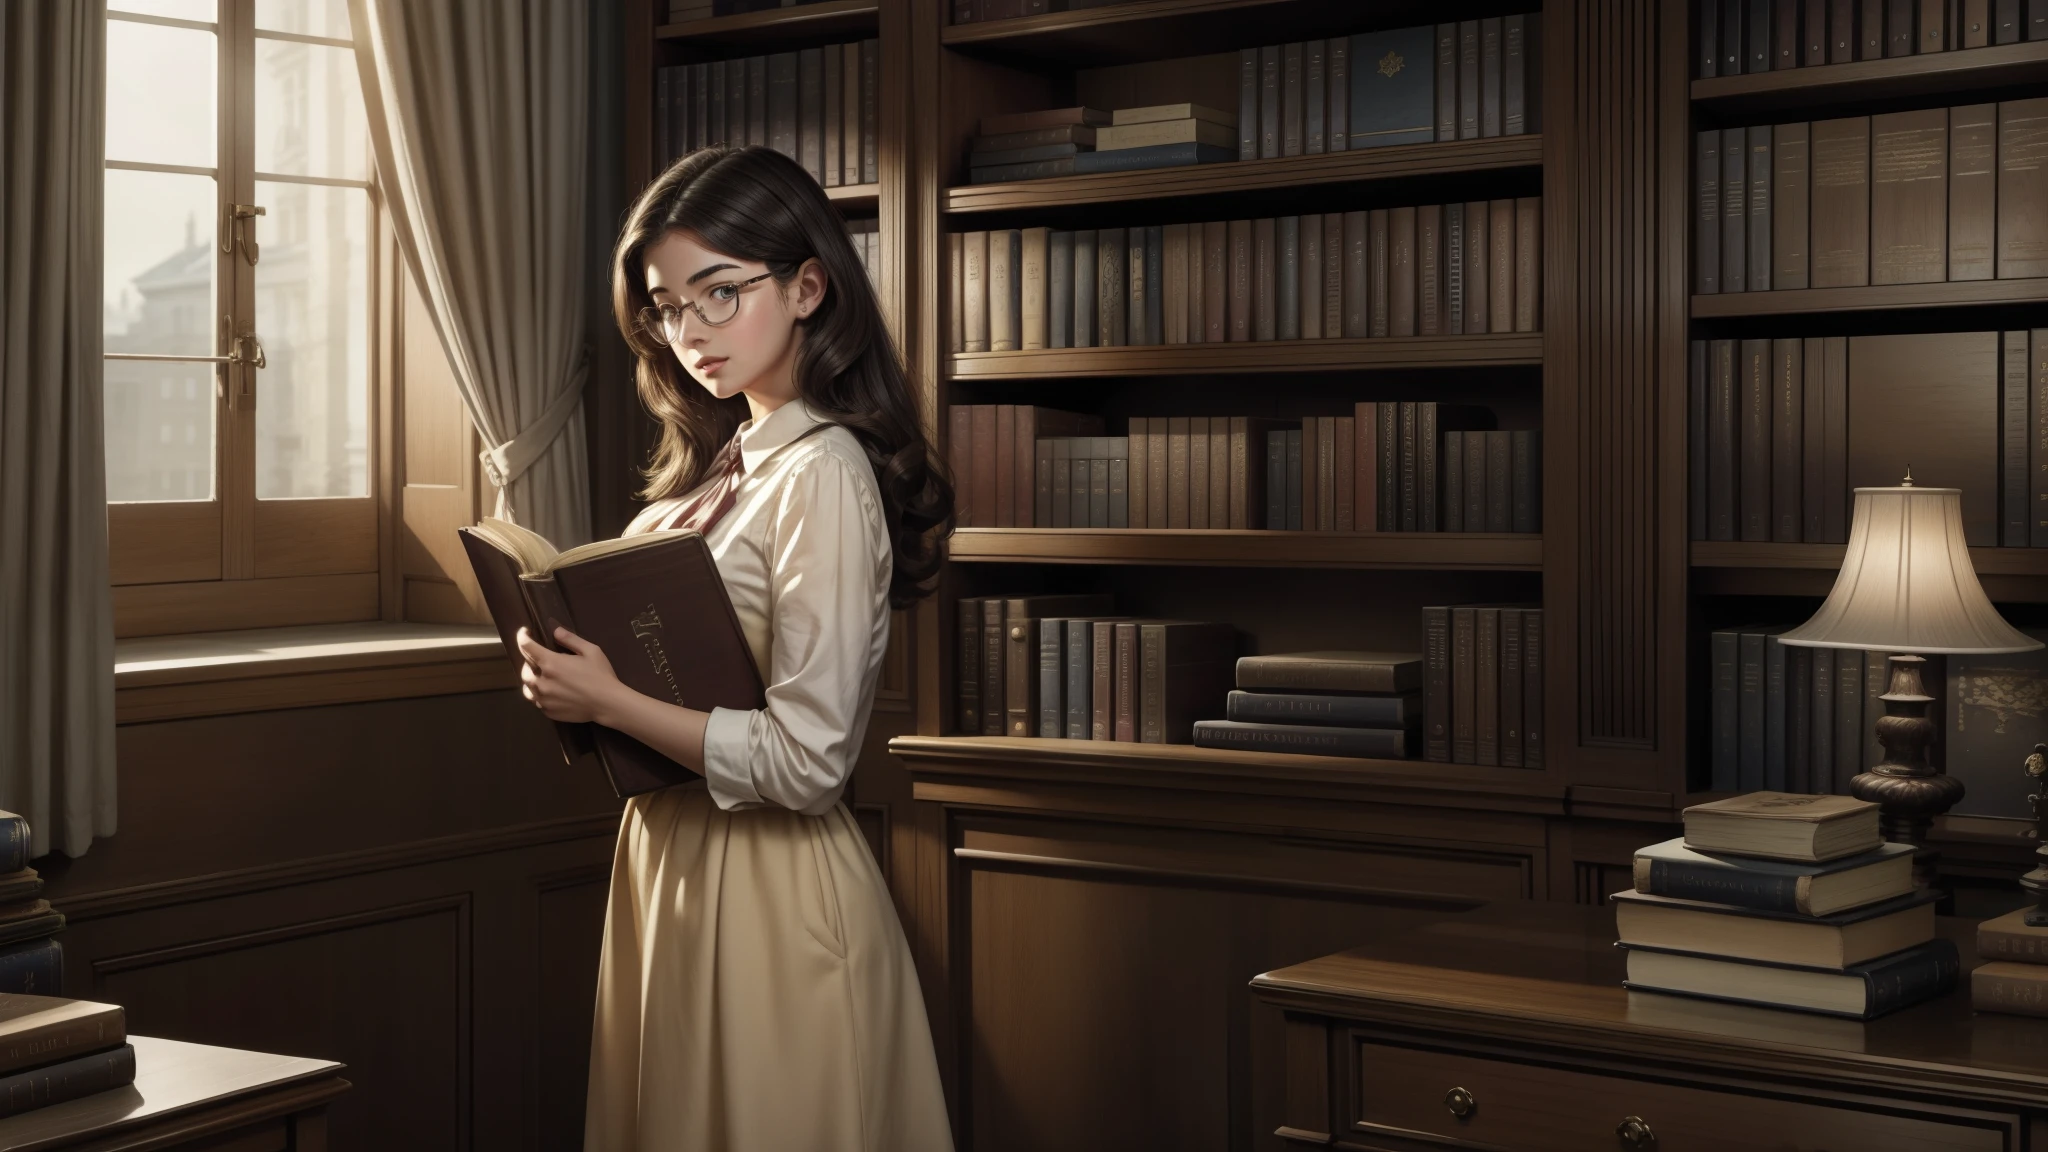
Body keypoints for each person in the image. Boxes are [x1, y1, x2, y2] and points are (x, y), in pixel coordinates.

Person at [512, 144, 955, 1151]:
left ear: (807, 287)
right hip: (669, 863)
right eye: (667, 308)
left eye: (718, 294)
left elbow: (810, 762)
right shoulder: (726, 468)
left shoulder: (821, 473)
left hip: (770, 890)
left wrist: (611, 703)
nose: (689, 333)